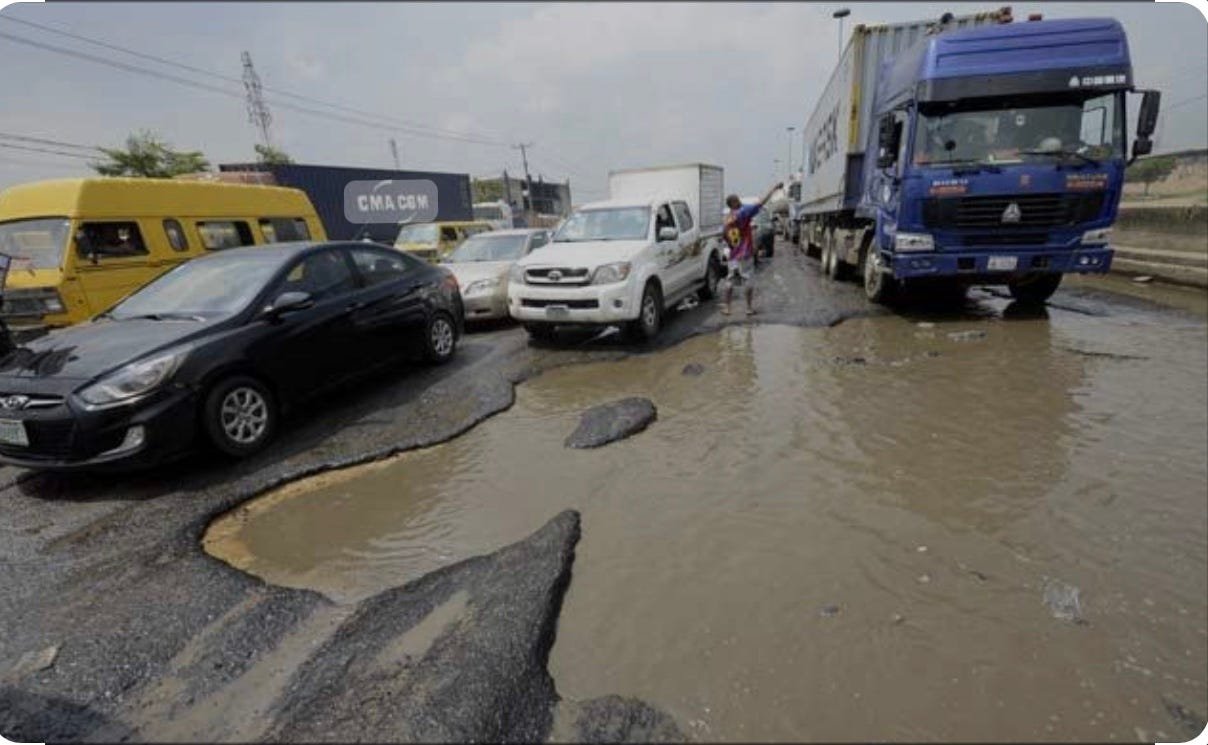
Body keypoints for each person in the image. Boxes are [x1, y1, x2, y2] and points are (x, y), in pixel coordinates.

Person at [721, 181, 781, 316]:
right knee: (748, 279)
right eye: (737, 200)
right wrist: (774, 188)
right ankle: (748, 308)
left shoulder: (727, 219)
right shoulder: (744, 212)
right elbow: (761, 202)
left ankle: (727, 308)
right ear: (734, 203)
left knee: (730, 280)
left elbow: (725, 237)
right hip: (746, 253)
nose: (740, 202)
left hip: (733, 255)